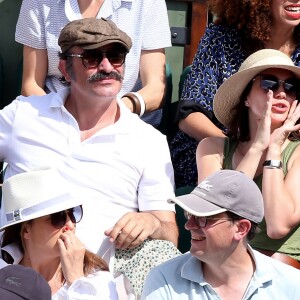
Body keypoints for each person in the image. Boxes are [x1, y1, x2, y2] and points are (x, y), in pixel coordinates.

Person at [0, 17, 179, 298]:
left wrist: (152, 222)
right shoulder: (23, 115)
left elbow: (170, 233)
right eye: (93, 57)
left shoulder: (148, 141)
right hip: (13, 281)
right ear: (65, 69)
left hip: (99, 287)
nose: (107, 67)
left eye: (116, 56)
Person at [170, 0, 300, 188]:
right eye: (268, 83)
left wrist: (278, 151)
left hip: (288, 153)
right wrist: (239, 150)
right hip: (218, 153)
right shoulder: (222, 37)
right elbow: (189, 116)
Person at [196, 49, 300, 268]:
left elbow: (277, 225)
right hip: (220, 267)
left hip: (280, 272)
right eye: (269, 84)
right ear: (245, 97)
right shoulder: (211, 148)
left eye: (291, 87)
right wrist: (258, 147)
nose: (281, 93)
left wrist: (273, 152)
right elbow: (215, 217)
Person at [142, 169, 300, 299]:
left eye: (203, 218)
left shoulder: (291, 284)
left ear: (241, 228)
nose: (189, 225)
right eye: (189, 215)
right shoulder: (163, 278)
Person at [15, 0, 171, 127]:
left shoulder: (148, 3)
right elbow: (31, 84)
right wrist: (60, 118)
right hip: (53, 117)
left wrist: (118, 111)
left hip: (124, 118)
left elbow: (156, 88)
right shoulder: (37, 2)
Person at [0, 168, 118, 299]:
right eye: (57, 217)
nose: (70, 225)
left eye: (73, 213)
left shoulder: (99, 280)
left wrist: (76, 279)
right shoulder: (2, 271)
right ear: (26, 230)